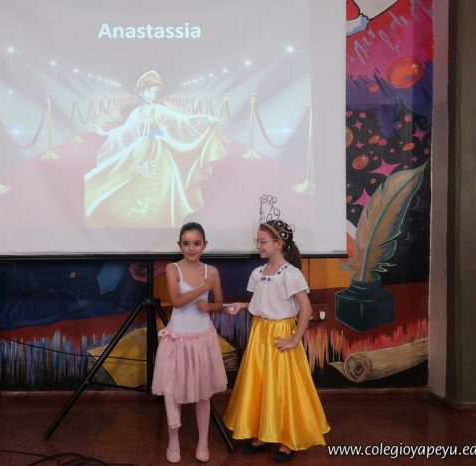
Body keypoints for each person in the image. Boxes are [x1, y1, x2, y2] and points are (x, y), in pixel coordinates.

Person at [223, 218, 329, 463]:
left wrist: (294, 339)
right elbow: (264, 302)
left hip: (280, 334)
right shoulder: (258, 273)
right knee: (261, 383)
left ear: (278, 244)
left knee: (282, 385)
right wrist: (242, 305)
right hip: (260, 333)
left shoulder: (291, 274)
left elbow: (306, 309)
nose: (258, 245)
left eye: (262, 241)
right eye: (258, 241)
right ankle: (264, 433)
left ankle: (287, 439)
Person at [84, 71, 227, 228]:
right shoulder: (136, 113)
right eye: (148, 91)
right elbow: (124, 131)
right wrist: (105, 133)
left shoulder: (158, 110)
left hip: (159, 150)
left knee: (165, 180)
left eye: (154, 91)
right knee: (132, 178)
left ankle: (164, 214)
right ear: (140, 92)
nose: (151, 95)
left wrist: (204, 117)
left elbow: (181, 119)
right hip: (139, 151)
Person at [151, 222, 228, 464]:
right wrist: (202, 289)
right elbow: (176, 301)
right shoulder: (172, 268)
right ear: (180, 245)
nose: (191, 248)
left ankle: (203, 442)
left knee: (203, 394)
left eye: (196, 243)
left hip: (202, 338)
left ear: (204, 245)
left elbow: (219, 303)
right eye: (186, 244)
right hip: (178, 338)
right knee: (172, 392)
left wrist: (211, 305)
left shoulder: (211, 272)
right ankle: (173, 441)